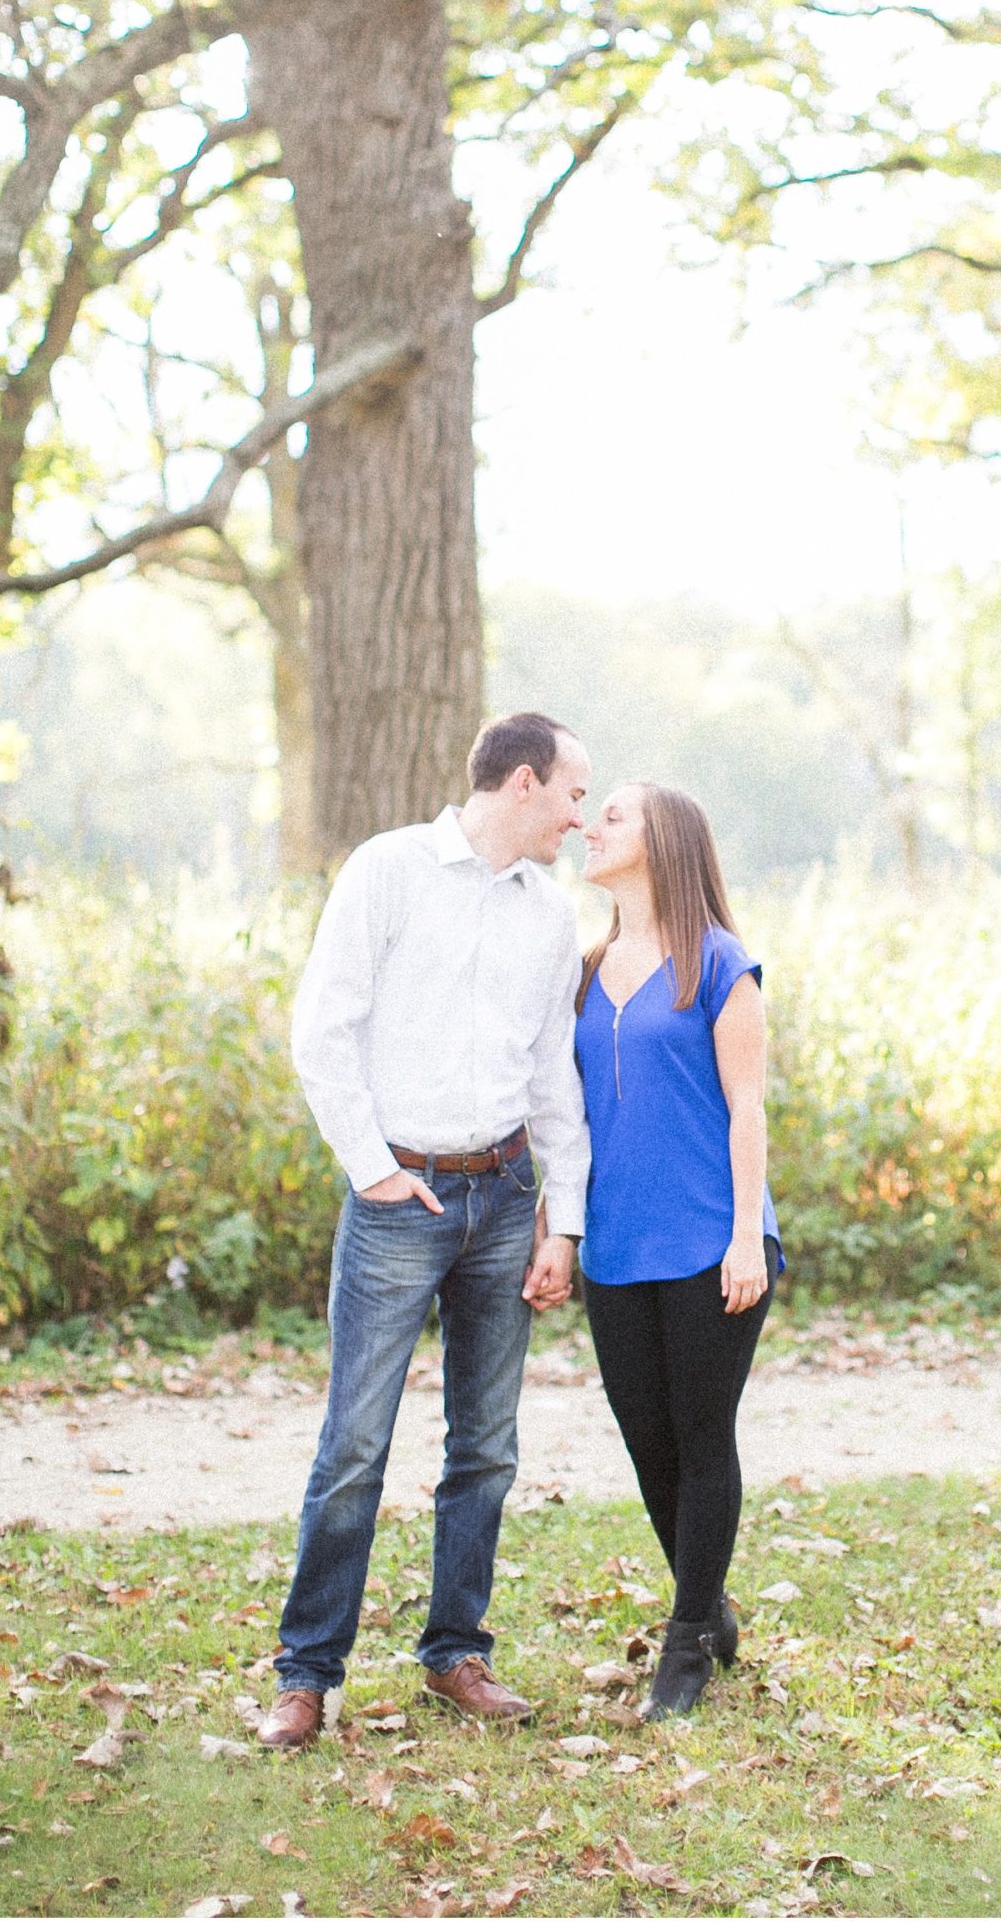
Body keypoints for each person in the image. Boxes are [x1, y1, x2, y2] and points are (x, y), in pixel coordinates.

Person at [257, 712, 591, 1751]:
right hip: (400, 1197)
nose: (580, 818)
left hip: (502, 1198)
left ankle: (456, 1653)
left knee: (484, 1447)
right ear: (525, 782)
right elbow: (324, 1027)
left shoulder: (549, 911)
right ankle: (307, 1674)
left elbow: (553, 1074)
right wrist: (373, 1169)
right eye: (575, 795)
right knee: (354, 1445)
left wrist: (561, 1224)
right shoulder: (388, 869)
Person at [577, 780, 781, 1721]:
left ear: (663, 843)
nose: (591, 824)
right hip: (617, 1250)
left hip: (711, 1243)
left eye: (613, 814)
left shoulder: (719, 963)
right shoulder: (584, 970)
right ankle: (712, 1607)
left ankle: (687, 1644)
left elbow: (747, 1107)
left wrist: (746, 1235)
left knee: (702, 1441)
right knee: (647, 1441)